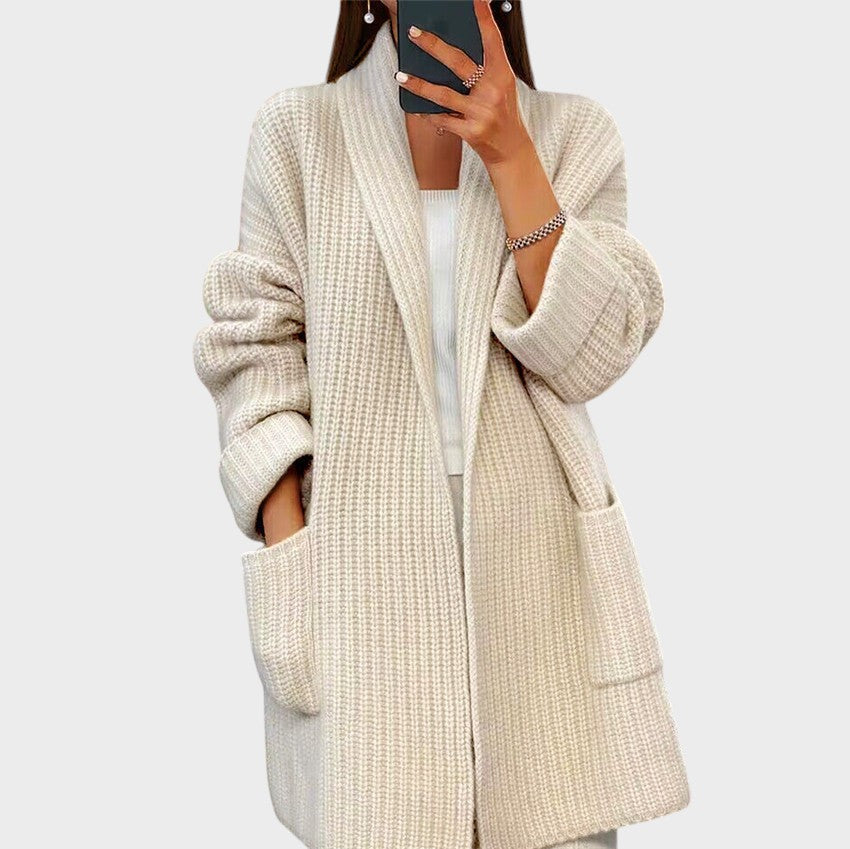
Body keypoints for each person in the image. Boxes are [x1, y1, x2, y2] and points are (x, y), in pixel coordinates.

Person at [192, 2, 689, 848]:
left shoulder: (573, 135)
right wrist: (289, 531)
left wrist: (510, 151)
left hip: (538, 573)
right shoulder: (299, 134)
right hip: (362, 576)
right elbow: (252, 347)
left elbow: (594, 355)